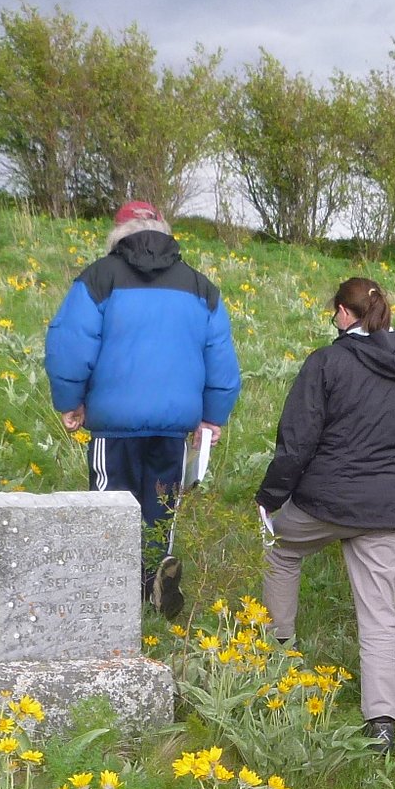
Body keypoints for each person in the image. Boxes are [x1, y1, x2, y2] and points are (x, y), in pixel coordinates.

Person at [256, 278, 395, 750]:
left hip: (327, 502)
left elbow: (296, 441)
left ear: (344, 313)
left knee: (279, 548)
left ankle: (276, 654)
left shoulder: (326, 364)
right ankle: (381, 722)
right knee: (380, 613)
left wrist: (270, 497)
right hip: (390, 508)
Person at [44, 199, 243, 618]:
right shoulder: (200, 286)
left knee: (110, 502)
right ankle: (154, 581)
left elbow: (69, 344)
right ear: (165, 231)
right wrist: (212, 416)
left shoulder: (99, 278)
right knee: (162, 504)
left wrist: (70, 401)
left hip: (114, 424)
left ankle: (113, 592)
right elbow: (221, 359)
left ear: (117, 235)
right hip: (174, 426)